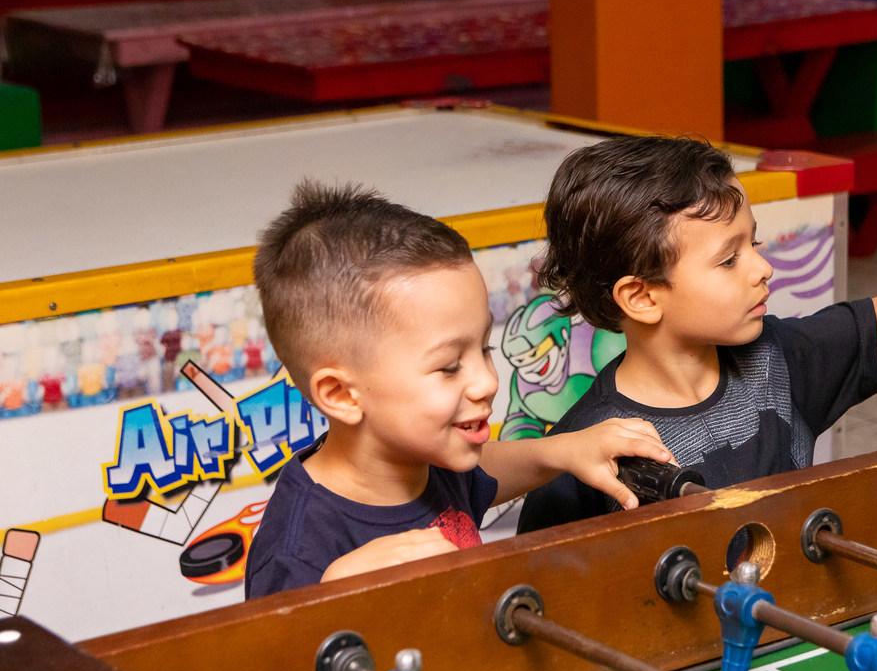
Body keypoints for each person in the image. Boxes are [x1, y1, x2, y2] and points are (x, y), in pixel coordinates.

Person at [516, 135, 877, 534]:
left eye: (755, 242)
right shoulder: (581, 452)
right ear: (641, 297)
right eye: (729, 260)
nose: (763, 268)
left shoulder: (776, 360)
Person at [244, 180, 671, 598]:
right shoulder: (295, 554)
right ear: (340, 394)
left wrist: (560, 450)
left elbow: (481, 471)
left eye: (484, 348)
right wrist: (332, 598)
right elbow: (263, 667)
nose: (486, 381)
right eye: (449, 367)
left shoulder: (427, 458)